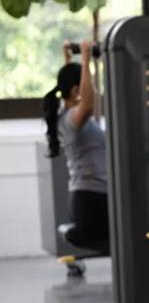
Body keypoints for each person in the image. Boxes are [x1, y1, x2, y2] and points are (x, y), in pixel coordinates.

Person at [45, 39, 109, 258]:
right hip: (93, 202)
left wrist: (70, 59)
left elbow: (79, 92)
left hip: (89, 199)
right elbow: (88, 102)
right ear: (75, 91)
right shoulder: (73, 120)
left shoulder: (66, 115)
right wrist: (84, 57)